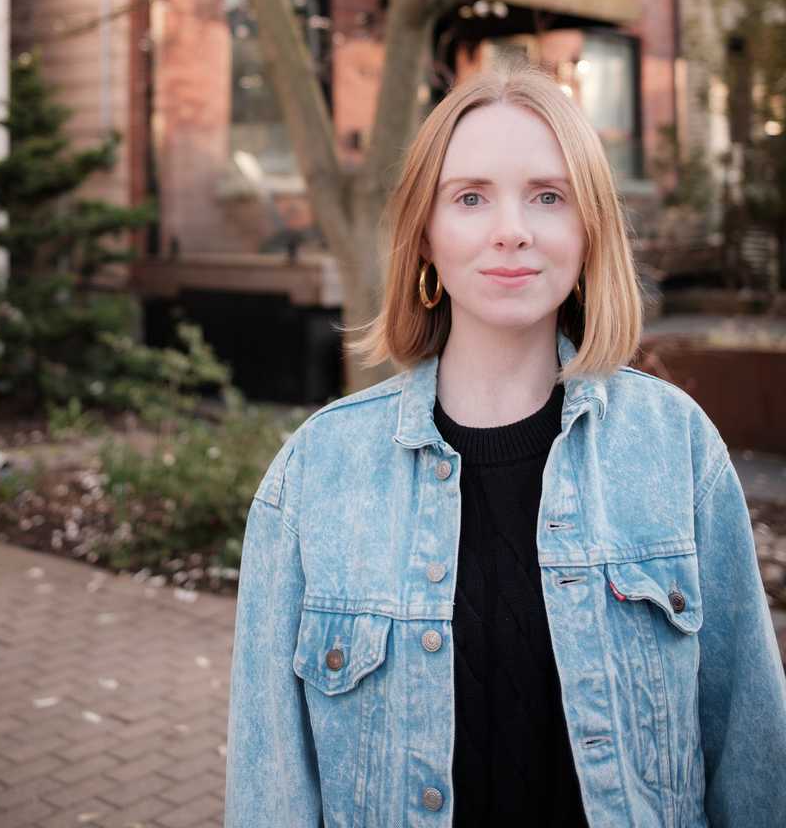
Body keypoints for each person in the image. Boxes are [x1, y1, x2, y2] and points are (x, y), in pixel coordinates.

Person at [223, 63, 786, 827]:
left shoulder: (673, 446)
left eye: (548, 196)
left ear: (588, 231)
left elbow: (753, 759)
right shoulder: (317, 476)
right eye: (471, 196)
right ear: (425, 233)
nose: (511, 228)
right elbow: (272, 792)